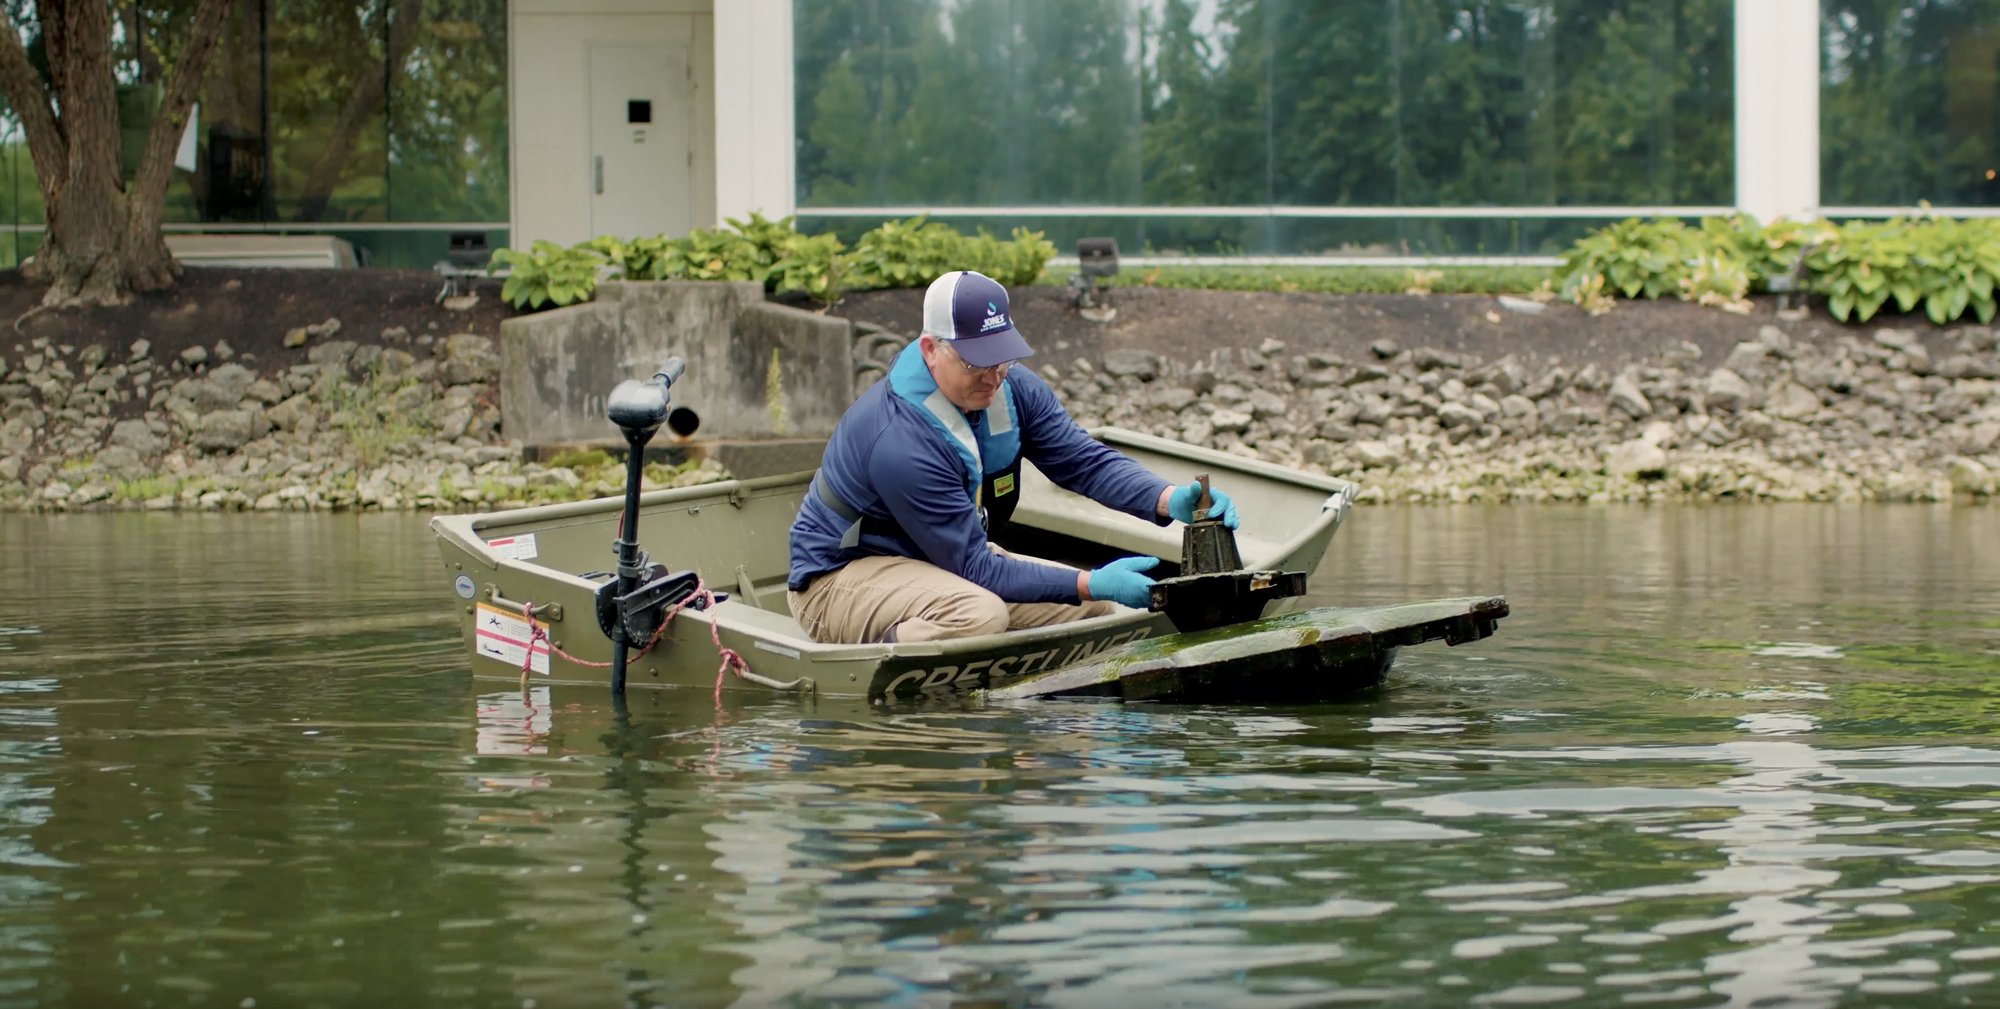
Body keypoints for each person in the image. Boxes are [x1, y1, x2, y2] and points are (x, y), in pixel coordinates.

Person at [786, 269, 1242, 644]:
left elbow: (1082, 460)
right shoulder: (900, 441)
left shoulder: (1011, 387)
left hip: (937, 561)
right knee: (979, 616)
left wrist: (1166, 499)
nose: (993, 376)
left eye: (1001, 356)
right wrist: (1090, 579)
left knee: (1095, 607)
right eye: (976, 362)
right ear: (930, 350)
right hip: (837, 581)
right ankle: (882, 679)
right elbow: (976, 568)